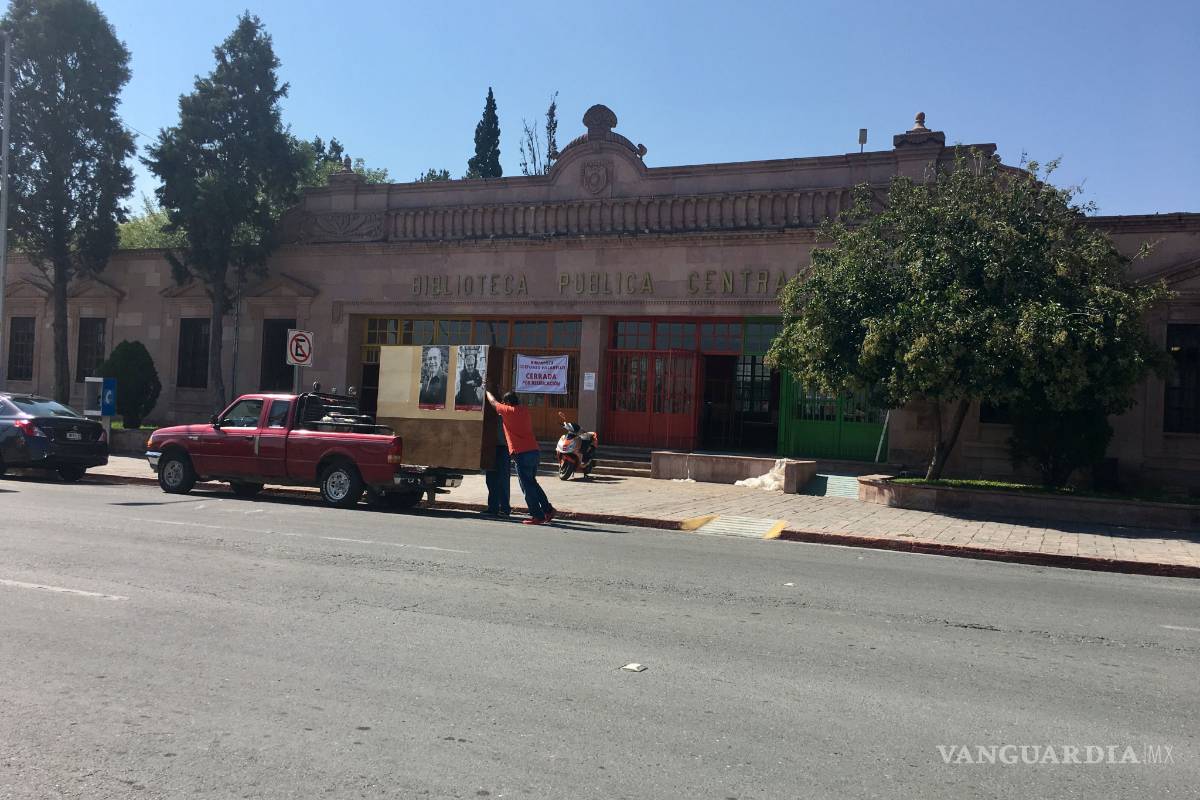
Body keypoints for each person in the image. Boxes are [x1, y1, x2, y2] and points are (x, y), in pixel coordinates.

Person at [485, 389, 555, 525]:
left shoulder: (508, 411)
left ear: (507, 403)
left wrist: (487, 390)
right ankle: (548, 509)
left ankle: (538, 515)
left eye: (504, 402)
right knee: (532, 483)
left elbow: (493, 402)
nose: (503, 404)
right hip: (534, 451)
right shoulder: (524, 411)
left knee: (527, 487)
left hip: (521, 454)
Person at [482, 414, 511, 517]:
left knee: (502, 480)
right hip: (491, 447)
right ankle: (493, 507)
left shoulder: (505, 412)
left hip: (503, 447)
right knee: (490, 479)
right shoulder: (489, 413)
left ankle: (505, 508)